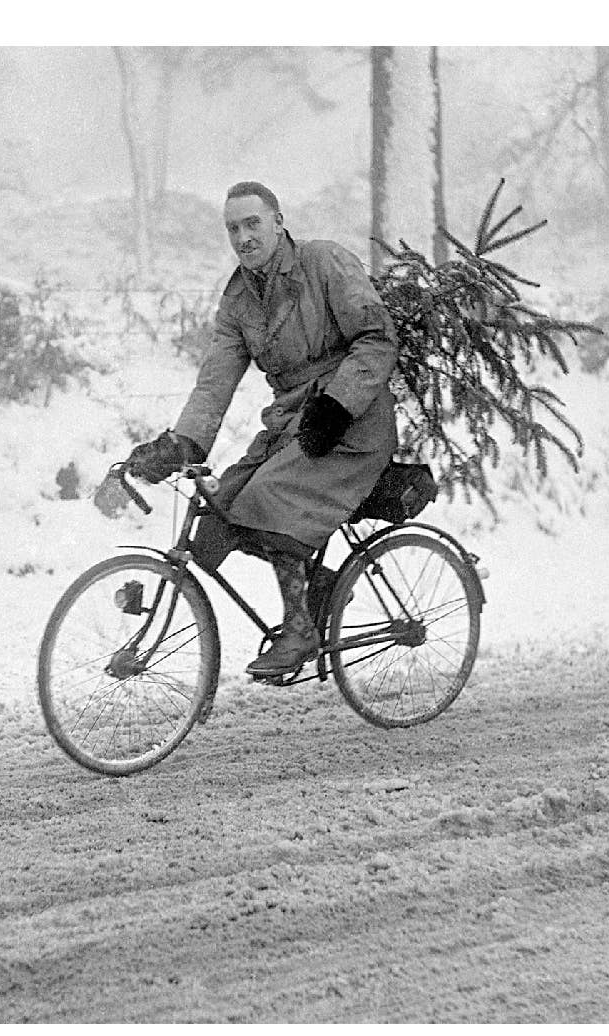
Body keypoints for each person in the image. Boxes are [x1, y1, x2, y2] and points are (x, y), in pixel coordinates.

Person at [125, 180, 399, 677]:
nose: (244, 237)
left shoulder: (324, 263)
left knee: (270, 497)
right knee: (223, 510)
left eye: (253, 223)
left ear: (278, 221)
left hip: (353, 423)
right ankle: (321, 587)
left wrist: (337, 406)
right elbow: (216, 380)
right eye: (233, 228)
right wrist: (181, 443)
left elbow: (378, 339)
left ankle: (299, 630)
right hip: (293, 424)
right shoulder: (238, 301)